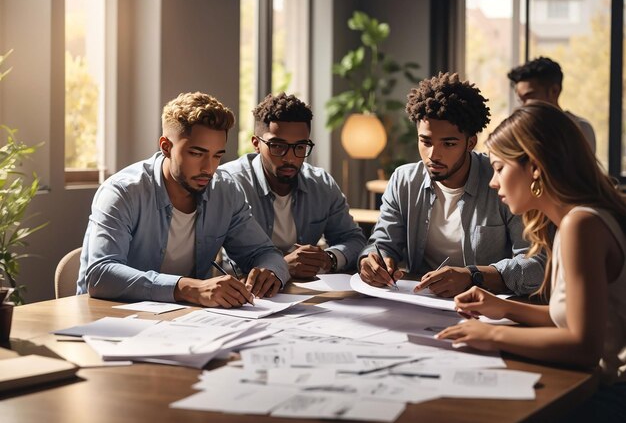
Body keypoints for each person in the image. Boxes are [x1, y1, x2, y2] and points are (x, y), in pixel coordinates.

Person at [437, 101, 626, 423]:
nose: (493, 182)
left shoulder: (580, 226)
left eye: (499, 168)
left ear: (535, 168)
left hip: (612, 399)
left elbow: (583, 345)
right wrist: (503, 308)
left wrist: (490, 335)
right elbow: (574, 320)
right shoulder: (581, 219)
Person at [77, 92, 289, 307]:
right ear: (166, 147)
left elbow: (263, 253)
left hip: (186, 321)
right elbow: (100, 274)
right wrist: (188, 288)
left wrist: (269, 271)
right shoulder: (123, 192)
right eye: (197, 154)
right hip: (111, 318)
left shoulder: (225, 191)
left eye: (217, 155)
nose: (209, 168)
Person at [359, 72, 544, 297]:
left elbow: (536, 264)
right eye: (425, 141)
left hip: (486, 306)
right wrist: (375, 261)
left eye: (448, 143)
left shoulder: (502, 181)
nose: (433, 155)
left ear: (471, 143)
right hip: (420, 302)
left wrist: (473, 276)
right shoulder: (403, 181)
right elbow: (383, 242)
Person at [220, 92, 366, 278]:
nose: (290, 158)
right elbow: (231, 263)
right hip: (248, 291)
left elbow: (353, 239)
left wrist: (329, 258)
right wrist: (281, 266)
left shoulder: (321, 184)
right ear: (256, 144)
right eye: (278, 146)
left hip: (306, 292)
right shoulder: (230, 183)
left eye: (300, 147)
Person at [507, 56, 596, 153]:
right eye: (520, 100)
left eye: (529, 96)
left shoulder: (580, 129)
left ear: (554, 91)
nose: (524, 106)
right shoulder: (519, 131)